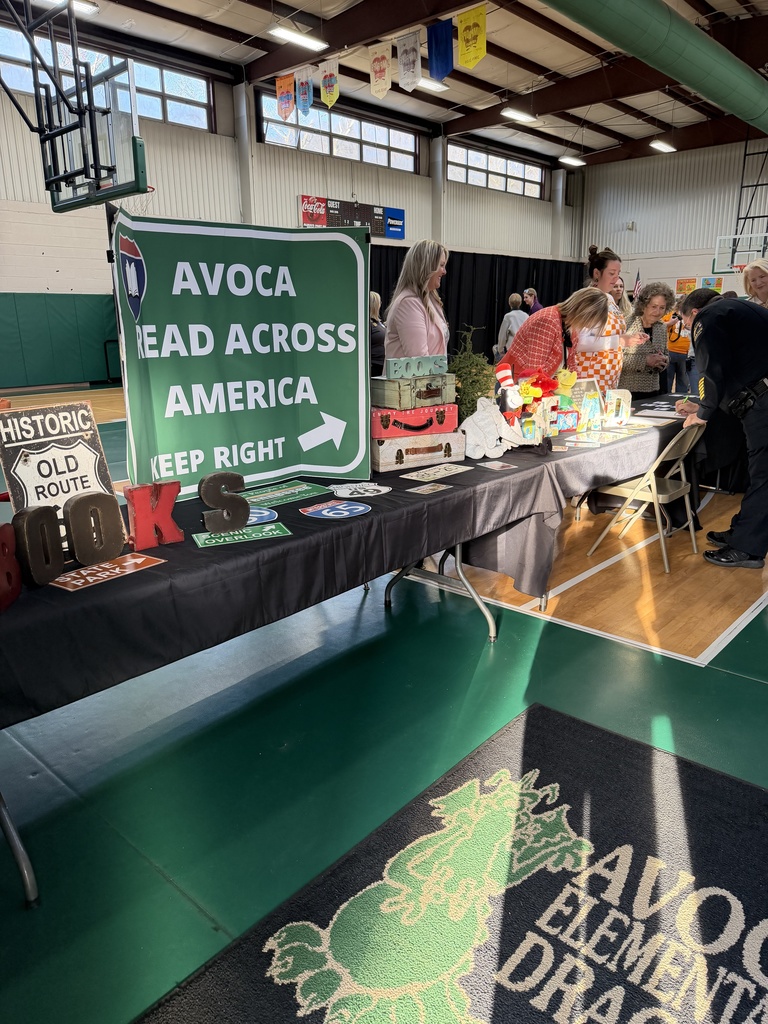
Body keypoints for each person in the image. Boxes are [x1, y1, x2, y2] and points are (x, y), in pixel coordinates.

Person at [678, 287, 768, 569]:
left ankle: (747, 548)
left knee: (764, 475)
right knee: (758, 473)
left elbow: (711, 367)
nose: (690, 330)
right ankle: (742, 531)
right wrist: (704, 404)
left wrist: (703, 413)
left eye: (687, 324)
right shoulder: (743, 310)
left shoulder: (709, 316)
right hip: (759, 396)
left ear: (694, 312)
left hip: (762, 403)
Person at [495, 287, 609, 384]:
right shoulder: (548, 320)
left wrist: (581, 389)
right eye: (591, 320)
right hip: (516, 389)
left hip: (537, 387)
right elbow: (533, 372)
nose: (589, 326)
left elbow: (571, 366)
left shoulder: (570, 327)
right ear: (584, 311)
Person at [573, 245, 647, 392]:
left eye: (618, 273)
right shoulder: (589, 299)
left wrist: (629, 338)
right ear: (597, 273)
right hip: (589, 376)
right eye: (611, 273)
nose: (616, 278)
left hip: (609, 376)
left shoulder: (609, 299)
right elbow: (580, 342)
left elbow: (611, 335)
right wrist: (620, 340)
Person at [385, 239, 449, 358]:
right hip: (420, 377)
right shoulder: (408, 303)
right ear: (427, 267)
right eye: (441, 265)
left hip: (432, 376)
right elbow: (419, 360)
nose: (444, 271)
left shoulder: (431, 299)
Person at [619, 282, 674, 399]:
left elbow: (666, 354)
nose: (658, 312)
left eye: (662, 308)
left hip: (653, 390)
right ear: (644, 306)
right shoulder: (625, 324)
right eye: (654, 306)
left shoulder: (662, 327)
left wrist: (663, 361)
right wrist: (645, 361)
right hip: (627, 391)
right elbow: (614, 359)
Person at [666, 300, 692, 394]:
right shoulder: (671, 314)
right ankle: (666, 397)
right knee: (668, 379)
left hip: (685, 352)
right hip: (671, 351)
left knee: (683, 379)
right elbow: (659, 326)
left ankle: (680, 398)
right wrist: (671, 323)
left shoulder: (691, 316)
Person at [495, 293, 528, 360]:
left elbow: (502, 336)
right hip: (525, 349)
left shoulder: (508, 316)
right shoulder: (526, 316)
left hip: (512, 349)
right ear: (520, 303)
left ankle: (504, 365)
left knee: (495, 348)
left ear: (509, 303)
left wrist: (500, 350)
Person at [369, 291, 386, 376]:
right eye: (379, 302)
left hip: (383, 366)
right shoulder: (368, 324)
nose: (381, 304)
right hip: (374, 366)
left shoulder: (379, 323)